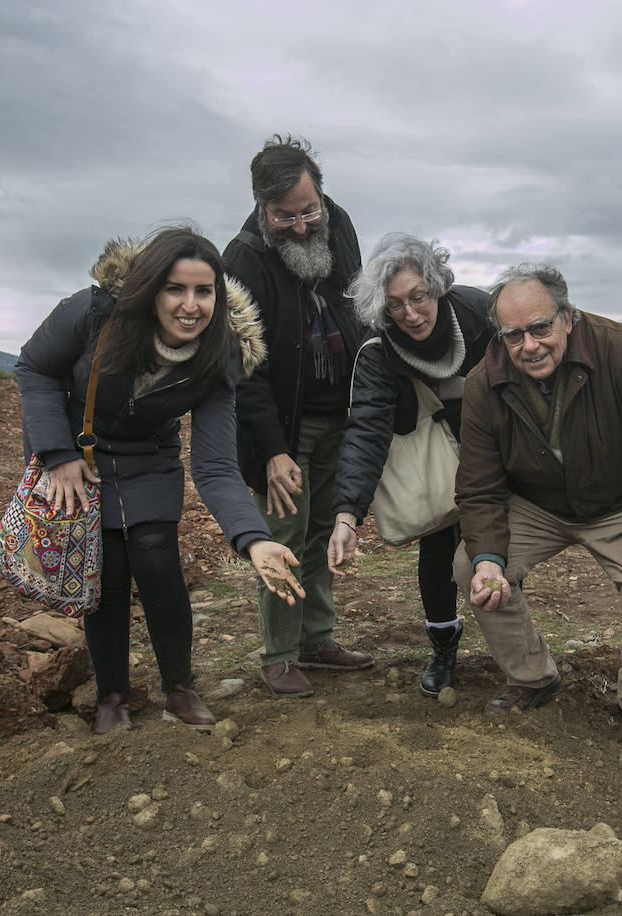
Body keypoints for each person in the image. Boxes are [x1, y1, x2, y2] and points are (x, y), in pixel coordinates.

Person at [15, 226, 305, 735]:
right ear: (151, 288)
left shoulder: (222, 354)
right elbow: (35, 368)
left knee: (156, 558)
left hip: (150, 456)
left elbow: (215, 466)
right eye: (176, 289)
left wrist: (255, 540)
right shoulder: (92, 312)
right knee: (105, 575)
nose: (190, 305)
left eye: (204, 291)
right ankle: (112, 697)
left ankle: (179, 688)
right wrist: (56, 454)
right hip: (79, 455)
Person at [455, 264, 622, 743]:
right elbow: (479, 485)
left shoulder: (616, 348)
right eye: (513, 335)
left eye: (540, 328)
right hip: (538, 505)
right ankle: (533, 677)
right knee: (471, 568)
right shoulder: (482, 383)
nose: (529, 346)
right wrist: (489, 560)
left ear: (567, 318)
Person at [223, 135, 373, 698]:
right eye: (286, 217)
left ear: (321, 194)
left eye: (309, 210)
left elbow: (358, 302)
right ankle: (280, 654)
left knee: (321, 531)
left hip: (342, 412)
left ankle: (317, 639)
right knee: (283, 534)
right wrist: (272, 451)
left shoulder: (340, 223)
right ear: (264, 209)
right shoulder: (241, 260)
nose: (303, 225)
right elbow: (244, 371)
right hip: (283, 427)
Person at [327, 233, 493, 696]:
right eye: (396, 305)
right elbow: (366, 430)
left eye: (418, 297)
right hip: (434, 460)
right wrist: (347, 515)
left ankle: (511, 645)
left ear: (436, 286)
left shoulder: (480, 315)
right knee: (439, 546)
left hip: (495, 449)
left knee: (494, 547)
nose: (411, 314)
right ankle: (443, 645)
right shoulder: (379, 350)